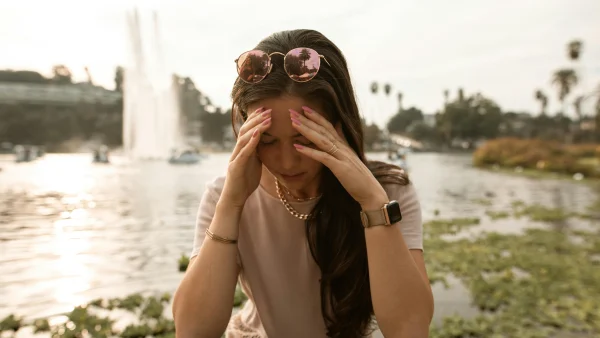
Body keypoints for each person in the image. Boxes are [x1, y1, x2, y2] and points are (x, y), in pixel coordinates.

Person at [172, 29, 433, 338]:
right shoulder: (225, 195)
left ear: (339, 125)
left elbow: (410, 330)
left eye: (304, 139)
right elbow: (191, 332)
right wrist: (230, 204)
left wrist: (373, 205)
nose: (287, 162)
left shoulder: (388, 192)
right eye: (266, 141)